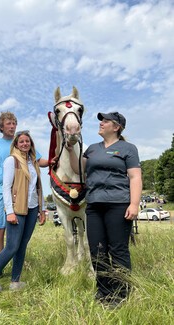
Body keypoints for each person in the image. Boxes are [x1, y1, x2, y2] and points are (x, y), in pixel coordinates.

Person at [67, 111, 142, 307]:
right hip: (94, 206)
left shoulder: (128, 148)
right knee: (97, 250)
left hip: (118, 204)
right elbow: (77, 169)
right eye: (101, 121)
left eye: (105, 121)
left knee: (118, 249)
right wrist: (69, 148)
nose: (101, 123)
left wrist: (134, 204)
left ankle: (121, 292)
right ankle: (104, 291)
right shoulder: (92, 149)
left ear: (116, 127)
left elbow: (135, 177)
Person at [0, 131, 46, 295]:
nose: (25, 144)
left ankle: (15, 281)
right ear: (16, 144)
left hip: (32, 208)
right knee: (12, 246)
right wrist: (9, 212)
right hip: (17, 209)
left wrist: (42, 209)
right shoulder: (12, 161)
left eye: (27, 141)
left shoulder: (33, 162)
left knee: (22, 246)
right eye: (22, 141)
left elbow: (38, 187)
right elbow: (6, 187)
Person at [0, 112, 50, 260]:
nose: (12, 126)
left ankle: (15, 263)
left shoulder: (22, 142)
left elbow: (38, 161)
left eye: (14, 123)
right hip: (1, 189)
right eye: (9, 123)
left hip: (21, 192)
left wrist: (53, 161)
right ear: (1, 126)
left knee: (17, 231)